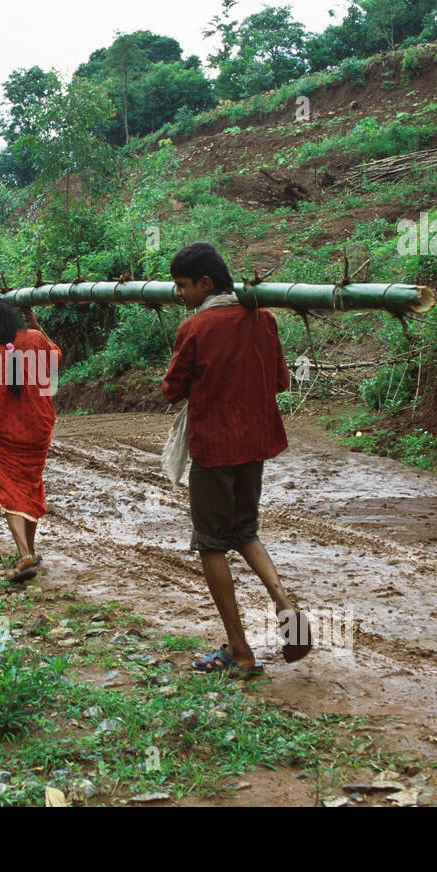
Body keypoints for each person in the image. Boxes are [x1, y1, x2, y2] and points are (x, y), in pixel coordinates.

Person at [161, 241, 312, 679]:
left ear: (205, 283)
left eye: (183, 286)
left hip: (213, 447)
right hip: (255, 445)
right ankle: (283, 602)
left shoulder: (195, 327)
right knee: (246, 530)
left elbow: (172, 390)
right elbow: (280, 380)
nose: (180, 295)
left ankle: (241, 650)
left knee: (211, 542)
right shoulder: (263, 319)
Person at [0, 298, 61, 583]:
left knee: (9, 490)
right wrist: (35, 325)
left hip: (7, 429)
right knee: (30, 485)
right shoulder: (35, 339)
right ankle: (30, 549)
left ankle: (23, 554)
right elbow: (56, 357)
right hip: (40, 426)